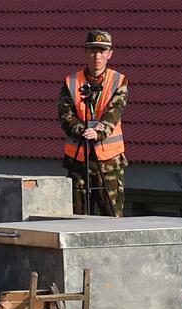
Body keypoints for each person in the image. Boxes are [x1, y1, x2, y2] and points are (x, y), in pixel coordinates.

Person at [59, 29, 129, 217]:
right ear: (86, 53)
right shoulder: (71, 82)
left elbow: (113, 114)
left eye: (101, 51)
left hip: (109, 162)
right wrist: (83, 130)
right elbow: (66, 116)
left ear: (109, 54)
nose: (97, 56)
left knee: (113, 217)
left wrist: (98, 132)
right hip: (79, 161)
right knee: (77, 219)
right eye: (93, 51)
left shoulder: (118, 81)